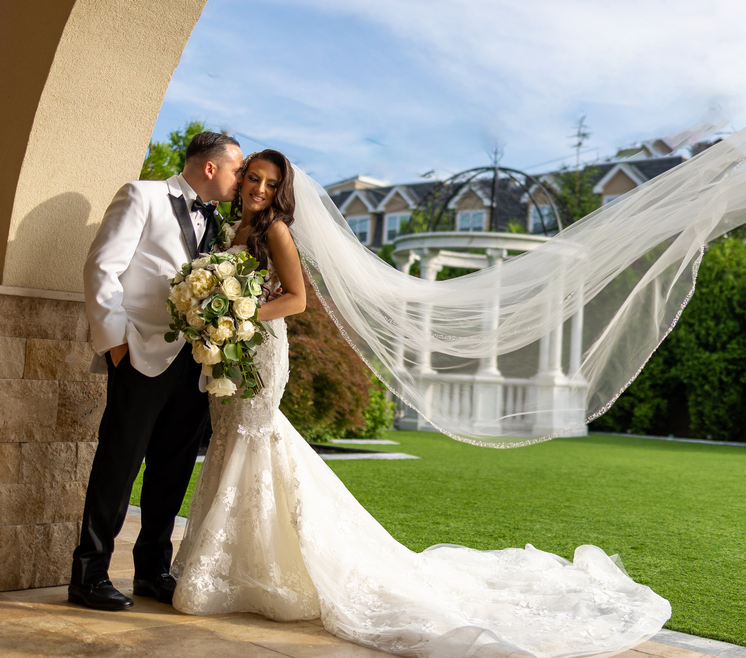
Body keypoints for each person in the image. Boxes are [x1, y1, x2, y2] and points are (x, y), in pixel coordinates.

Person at [171, 149, 672, 658]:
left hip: (259, 349)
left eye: (270, 183)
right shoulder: (231, 228)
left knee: (254, 440)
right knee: (232, 439)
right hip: (231, 351)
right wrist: (219, 316)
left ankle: (247, 572)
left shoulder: (276, 231)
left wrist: (240, 314)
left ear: (282, 191)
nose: (258, 188)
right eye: (253, 178)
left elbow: (297, 298)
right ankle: (238, 563)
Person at [73, 132, 244, 611]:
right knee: (118, 466)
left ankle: (152, 571)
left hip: (196, 364)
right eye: (236, 169)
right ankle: (88, 574)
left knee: (171, 470)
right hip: (139, 354)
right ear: (210, 167)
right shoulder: (141, 194)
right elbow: (102, 268)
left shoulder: (221, 223)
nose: (240, 179)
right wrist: (116, 345)